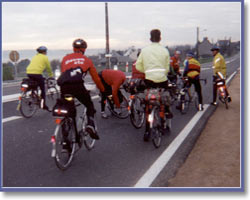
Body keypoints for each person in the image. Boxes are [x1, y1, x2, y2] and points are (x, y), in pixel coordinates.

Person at [59, 38, 105, 141]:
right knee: (89, 105)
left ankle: (66, 140)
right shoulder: (87, 60)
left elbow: (64, 74)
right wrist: (102, 90)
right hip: (77, 86)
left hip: (64, 87)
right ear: (84, 49)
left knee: (68, 111)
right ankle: (90, 125)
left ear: (73, 48)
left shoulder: (65, 58)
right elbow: (96, 78)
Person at [135, 29, 172, 139]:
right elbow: (167, 67)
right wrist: (162, 73)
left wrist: (147, 71)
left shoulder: (145, 50)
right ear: (160, 38)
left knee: (148, 103)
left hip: (149, 79)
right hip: (162, 79)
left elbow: (138, 66)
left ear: (150, 38)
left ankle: (147, 131)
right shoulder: (165, 50)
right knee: (163, 98)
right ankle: (165, 116)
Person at [26, 46, 54, 110]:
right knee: (42, 89)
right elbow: (48, 68)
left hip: (29, 73)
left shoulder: (35, 57)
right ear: (44, 52)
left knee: (34, 85)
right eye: (46, 51)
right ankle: (43, 105)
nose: (46, 52)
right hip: (37, 74)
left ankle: (33, 94)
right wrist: (51, 76)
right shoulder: (45, 57)